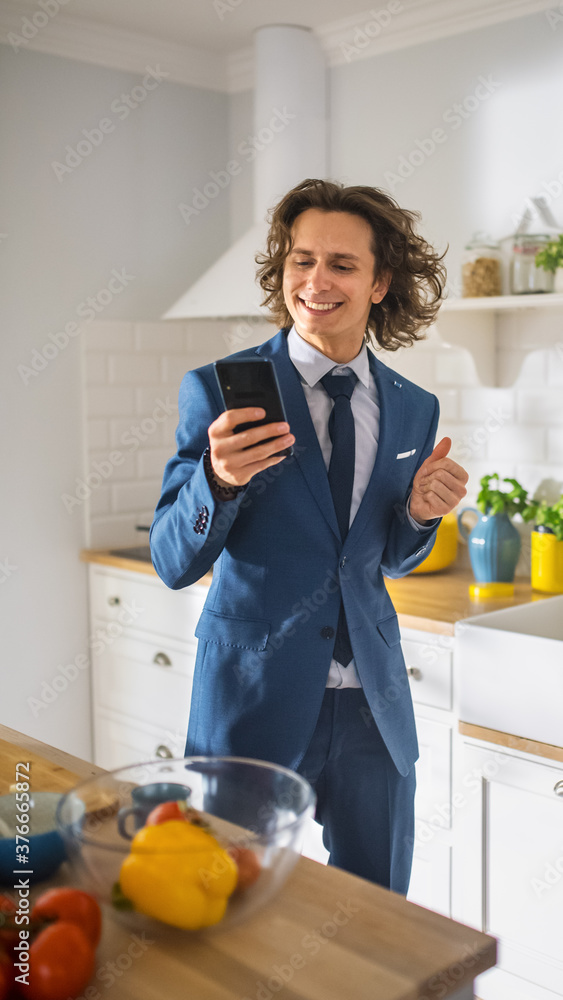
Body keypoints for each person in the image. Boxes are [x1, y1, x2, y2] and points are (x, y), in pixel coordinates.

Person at [150, 178, 468, 895]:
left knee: (377, 915)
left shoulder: (414, 408)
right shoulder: (220, 390)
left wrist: (418, 516)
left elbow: (382, 556)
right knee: (234, 907)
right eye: (301, 260)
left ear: (380, 282)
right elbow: (171, 559)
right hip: (253, 702)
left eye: (341, 265)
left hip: (372, 711)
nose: (315, 281)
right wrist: (218, 482)